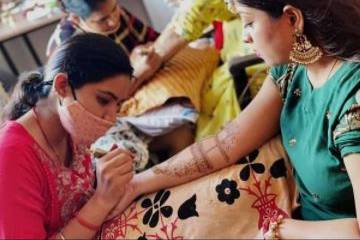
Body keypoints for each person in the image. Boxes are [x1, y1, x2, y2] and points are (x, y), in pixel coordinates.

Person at [107, 0, 360, 238]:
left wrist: (281, 228)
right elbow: (227, 142)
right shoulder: (293, 69)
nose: (245, 36)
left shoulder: (351, 101)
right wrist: (137, 183)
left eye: (249, 22)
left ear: (292, 19)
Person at [0, 33, 135, 238]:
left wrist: (108, 179)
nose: (111, 118)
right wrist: (102, 200)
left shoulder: (70, 130)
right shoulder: (11, 155)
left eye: (118, 105)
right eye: (103, 100)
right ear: (62, 86)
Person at [132, 0, 267, 141]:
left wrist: (134, 79)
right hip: (238, 55)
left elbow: (155, 57)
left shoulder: (198, 6)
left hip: (252, 67)